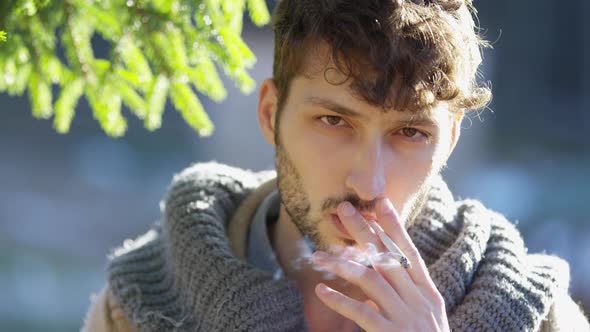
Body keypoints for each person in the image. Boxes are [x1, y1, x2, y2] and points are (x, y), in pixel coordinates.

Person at [82, 0, 589, 331]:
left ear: (450, 139)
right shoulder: (141, 302)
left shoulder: (537, 315)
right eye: (332, 120)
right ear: (270, 114)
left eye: (410, 133)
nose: (368, 182)